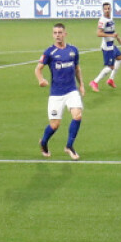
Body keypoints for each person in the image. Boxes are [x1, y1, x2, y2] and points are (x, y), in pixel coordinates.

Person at [36, 23, 84, 160]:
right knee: (55, 125)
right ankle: (44, 142)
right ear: (53, 35)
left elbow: (77, 69)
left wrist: (81, 85)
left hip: (71, 90)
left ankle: (69, 146)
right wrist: (41, 80)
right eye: (55, 33)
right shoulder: (49, 52)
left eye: (60, 32)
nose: (57, 35)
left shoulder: (73, 50)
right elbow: (38, 69)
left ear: (65, 34)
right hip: (56, 93)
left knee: (77, 115)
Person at [88, 2, 121, 92]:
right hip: (107, 47)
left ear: (111, 9)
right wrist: (112, 36)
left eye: (108, 8)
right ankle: (94, 82)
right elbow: (98, 33)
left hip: (112, 44)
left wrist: (118, 38)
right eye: (105, 9)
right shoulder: (102, 20)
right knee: (110, 67)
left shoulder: (111, 18)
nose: (107, 10)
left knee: (120, 58)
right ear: (103, 10)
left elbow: (113, 31)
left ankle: (111, 79)